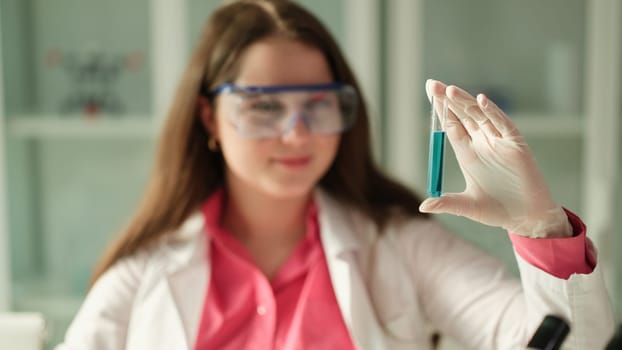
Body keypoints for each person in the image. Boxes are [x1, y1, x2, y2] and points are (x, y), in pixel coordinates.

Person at [55, 0, 615, 349]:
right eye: (264, 106)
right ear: (210, 117)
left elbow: (569, 345)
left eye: (319, 104)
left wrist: (539, 225)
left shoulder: (402, 247)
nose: (298, 133)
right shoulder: (141, 276)